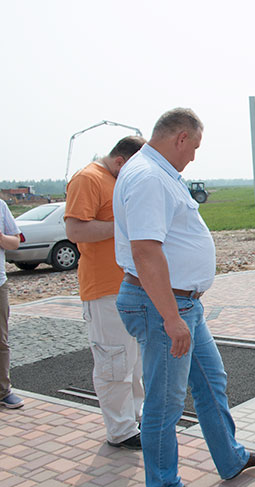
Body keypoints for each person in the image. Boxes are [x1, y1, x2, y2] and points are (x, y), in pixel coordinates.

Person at [113, 108, 255, 487]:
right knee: (165, 400)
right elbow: (146, 251)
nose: (195, 156)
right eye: (195, 146)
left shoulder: (157, 173)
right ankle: (164, 486)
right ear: (180, 137)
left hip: (181, 303)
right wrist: (170, 318)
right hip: (163, 305)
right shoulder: (149, 177)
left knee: (210, 380)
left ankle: (230, 457)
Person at [65, 136, 146, 450]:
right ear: (120, 162)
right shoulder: (88, 178)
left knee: (134, 362)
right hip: (103, 290)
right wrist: (124, 227)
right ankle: (121, 430)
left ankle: (135, 419)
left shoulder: (114, 179)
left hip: (128, 287)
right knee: (114, 363)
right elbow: (75, 230)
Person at [0, 199, 22, 409]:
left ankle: (3, 391)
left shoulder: (1, 206)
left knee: (1, 340)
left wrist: (1, 238)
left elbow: (15, 242)